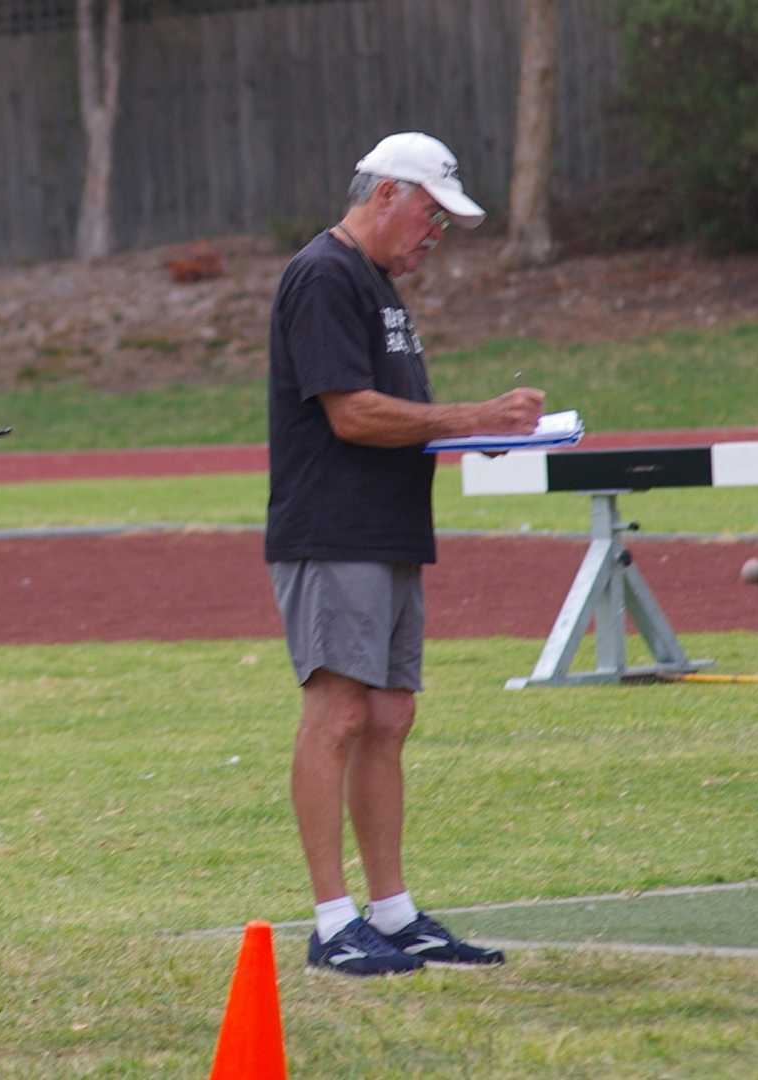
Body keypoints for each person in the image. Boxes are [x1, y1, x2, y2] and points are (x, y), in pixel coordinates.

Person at [265, 132, 546, 976]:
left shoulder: (375, 283)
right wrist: (472, 419)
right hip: (333, 530)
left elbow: (398, 417)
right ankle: (330, 920)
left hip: (385, 529)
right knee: (340, 715)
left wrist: (480, 433)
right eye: (432, 214)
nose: (437, 234)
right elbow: (350, 415)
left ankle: (391, 913)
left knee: (390, 718)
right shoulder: (323, 275)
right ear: (386, 194)